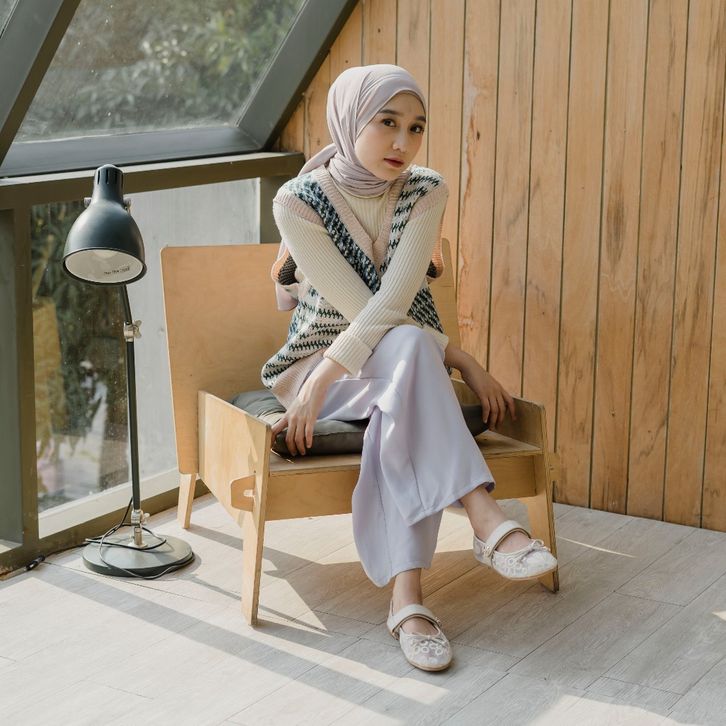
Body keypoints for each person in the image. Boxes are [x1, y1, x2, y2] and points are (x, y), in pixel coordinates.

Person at [261, 64, 557, 672]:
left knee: (403, 384)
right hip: (319, 369)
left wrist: (453, 357)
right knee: (412, 354)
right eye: (387, 123)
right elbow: (362, 309)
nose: (403, 142)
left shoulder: (426, 191)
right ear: (349, 121)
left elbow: (395, 301)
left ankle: (409, 598)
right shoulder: (298, 201)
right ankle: (485, 518)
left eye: (417, 127)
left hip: (394, 364)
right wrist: (323, 378)